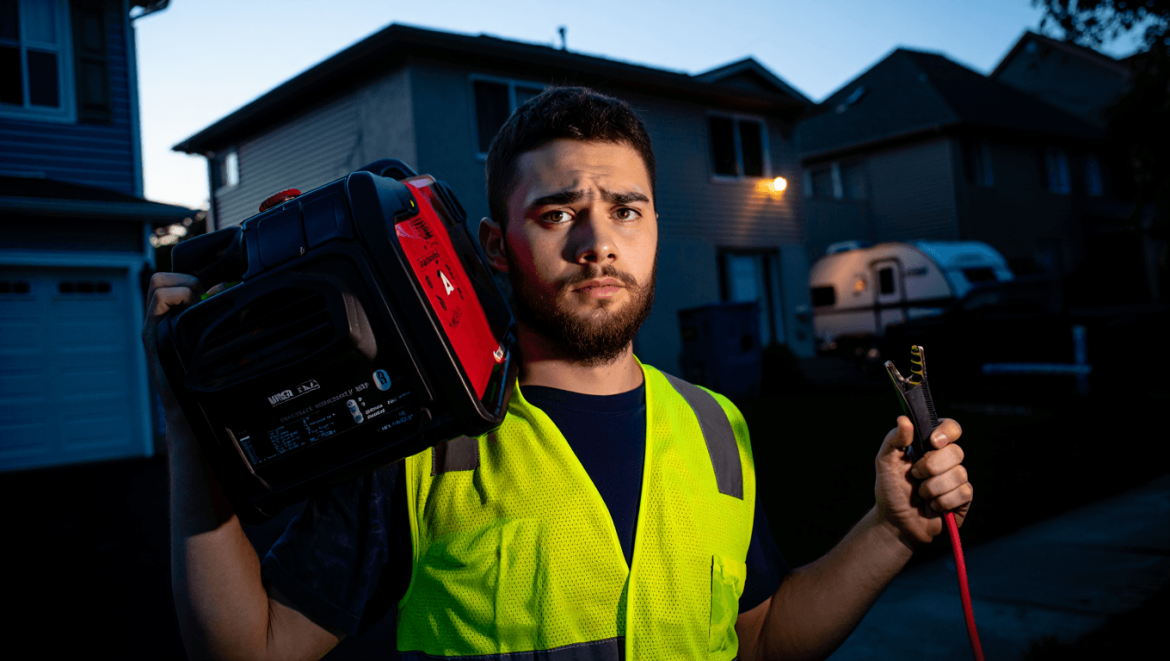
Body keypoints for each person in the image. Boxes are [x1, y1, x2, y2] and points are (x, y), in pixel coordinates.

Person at [143, 87, 972, 661]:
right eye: (557, 213)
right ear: (496, 245)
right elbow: (249, 646)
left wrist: (890, 530)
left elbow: (757, 639)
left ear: (654, 232)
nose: (596, 241)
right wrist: (194, 432)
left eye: (626, 209)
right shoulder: (426, 442)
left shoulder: (718, 426)